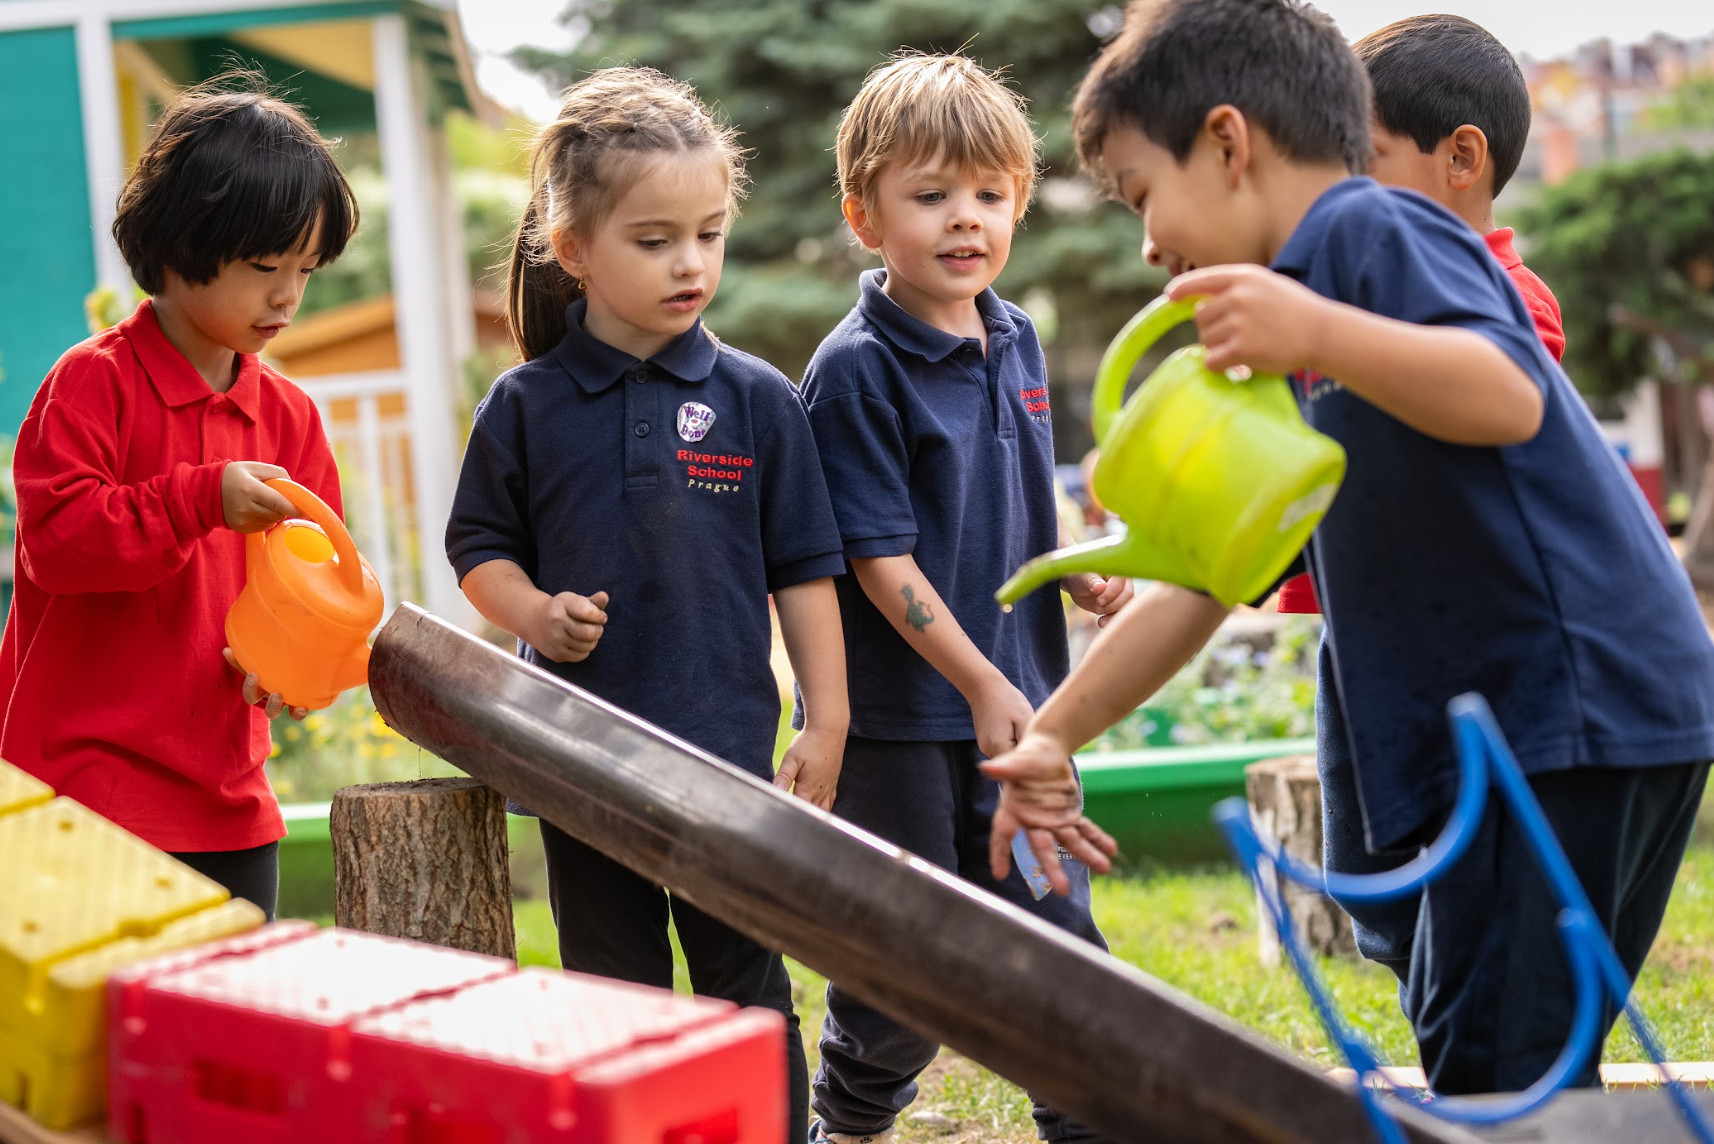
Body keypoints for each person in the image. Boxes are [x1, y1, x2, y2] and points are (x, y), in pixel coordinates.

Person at [984, 0, 1714, 1098]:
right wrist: (1053, 736)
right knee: (1484, 1039)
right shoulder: (1285, 330)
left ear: (1229, 144)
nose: (1143, 241)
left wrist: (1315, 330)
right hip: (1537, 723)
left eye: (1143, 193)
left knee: (1499, 1074)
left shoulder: (1367, 231)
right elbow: (1204, 573)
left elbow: (1510, 393)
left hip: (1568, 705)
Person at [445, 67, 848, 1140]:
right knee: (610, 989)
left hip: (724, 758)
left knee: (742, 984)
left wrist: (828, 714)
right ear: (573, 250)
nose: (691, 263)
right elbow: (478, 548)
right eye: (656, 238)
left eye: (708, 234)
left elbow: (804, 565)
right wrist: (530, 614)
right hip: (581, 760)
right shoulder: (524, 406)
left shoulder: (757, 398)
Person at [799, 54, 1129, 1144]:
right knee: (904, 974)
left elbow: (1020, 487)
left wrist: (1070, 558)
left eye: (989, 195)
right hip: (903, 727)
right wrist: (984, 681)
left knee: (1058, 953)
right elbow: (878, 562)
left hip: (1018, 709)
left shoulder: (1016, 336)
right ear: (864, 215)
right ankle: (847, 1122)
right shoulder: (854, 372)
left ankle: (1083, 1123)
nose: (964, 220)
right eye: (930, 195)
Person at [0, 75, 355, 921]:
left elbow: (319, 581)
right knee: (91, 1045)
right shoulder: (93, 385)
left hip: (229, 800)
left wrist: (299, 670)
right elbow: (60, 543)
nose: (288, 298)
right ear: (173, 249)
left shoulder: (290, 418)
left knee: (215, 1042)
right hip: (84, 796)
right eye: (266, 267)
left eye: (305, 270)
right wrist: (198, 499)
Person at [1279, 13, 1572, 978]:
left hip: (1465, 643)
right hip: (1365, 636)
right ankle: (1443, 1015)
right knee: (1377, 885)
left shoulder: (1508, 297)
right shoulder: (1355, 295)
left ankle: (1479, 1037)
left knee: (1461, 877)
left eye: (1363, 160)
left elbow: (1471, 405)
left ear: (1462, 158)